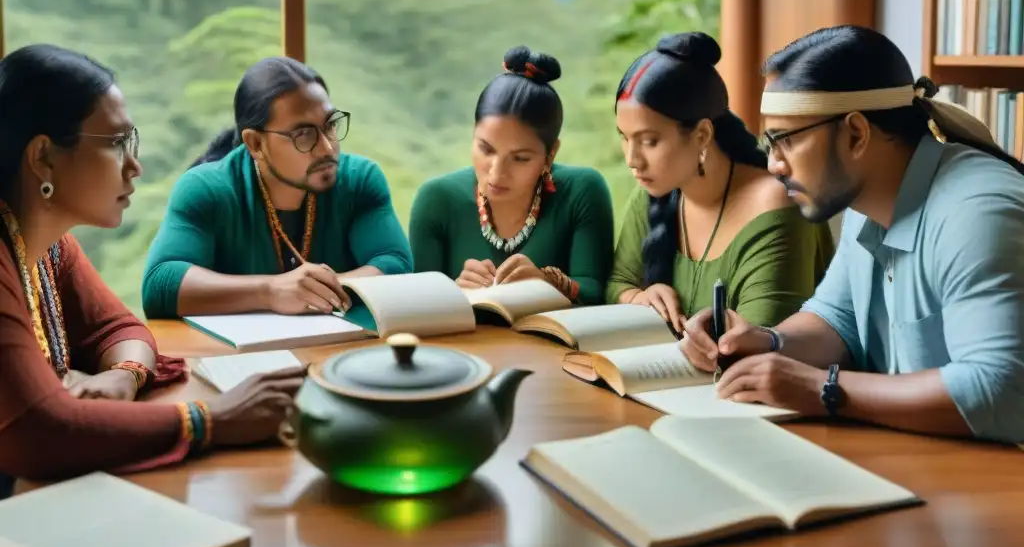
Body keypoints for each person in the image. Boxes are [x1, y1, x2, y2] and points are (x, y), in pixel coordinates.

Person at [683, 25, 1024, 445]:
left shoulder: (976, 213)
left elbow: (1001, 389)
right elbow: (837, 320)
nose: (774, 165)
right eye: (768, 144)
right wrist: (766, 342)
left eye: (784, 140)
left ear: (857, 134)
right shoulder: (868, 201)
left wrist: (823, 389)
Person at [0, 44, 304, 495]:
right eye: (117, 143)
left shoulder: (48, 248)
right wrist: (210, 419)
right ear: (43, 157)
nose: (134, 166)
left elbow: (119, 329)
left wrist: (123, 376)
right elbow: (39, 429)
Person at [142, 57, 413, 320]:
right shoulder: (206, 188)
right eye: (303, 134)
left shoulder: (360, 179)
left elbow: (395, 264)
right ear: (255, 144)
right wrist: (270, 291)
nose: (328, 148)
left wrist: (317, 290)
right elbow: (161, 284)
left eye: (330, 125)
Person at [607, 32, 834, 335]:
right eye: (624, 137)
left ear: (702, 135)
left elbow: (762, 342)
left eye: (649, 141)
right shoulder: (655, 189)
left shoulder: (777, 205)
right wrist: (640, 297)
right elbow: (617, 283)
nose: (632, 159)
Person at [408, 46, 614, 305]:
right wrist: (452, 294)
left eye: (520, 159)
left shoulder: (582, 191)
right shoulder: (436, 200)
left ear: (550, 155)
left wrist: (545, 282)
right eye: (486, 149)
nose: (496, 172)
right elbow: (416, 304)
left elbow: (597, 293)